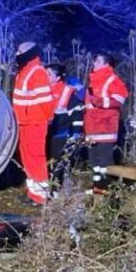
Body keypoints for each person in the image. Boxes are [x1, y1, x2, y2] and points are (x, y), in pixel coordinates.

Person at [11, 42, 53, 205]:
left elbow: (46, 102)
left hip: (35, 123)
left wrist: (42, 119)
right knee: (28, 159)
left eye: (19, 51)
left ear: (28, 52)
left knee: (36, 159)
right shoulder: (24, 72)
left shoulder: (37, 72)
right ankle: (33, 193)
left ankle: (40, 196)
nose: (17, 54)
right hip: (25, 122)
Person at [84, 52, 129, 194]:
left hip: (105, 127)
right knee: (94, 161)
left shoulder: (112, 80)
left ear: (106, 64)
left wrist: (96, 101)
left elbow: (119, 99)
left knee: (104, 161)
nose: (94, 63)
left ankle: (108, 189)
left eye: (97, 61)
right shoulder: (93, 80)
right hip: (92, 127)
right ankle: (98, 186)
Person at [45, 63, 85, 194]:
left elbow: (76, 113)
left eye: (49, 74)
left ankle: (55, 191)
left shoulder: (67, 91)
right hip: (44, 133)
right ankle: (42, 191)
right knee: (43, 162)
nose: (46, 75)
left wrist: (76, 133)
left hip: (60, 134)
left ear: (57, 78)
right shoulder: (42, 90)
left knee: (56, 163)